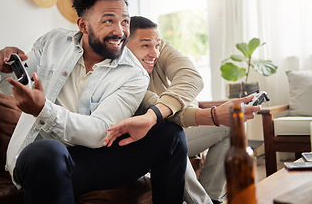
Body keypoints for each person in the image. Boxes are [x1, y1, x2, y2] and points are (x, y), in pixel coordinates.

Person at [0, 0, 188, 204]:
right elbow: (10, 86)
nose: (120, 31)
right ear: (83, 26)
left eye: (125, 21)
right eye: (108, 21)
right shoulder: (53, 42)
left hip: (91, 160)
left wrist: (43, 110)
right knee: (49, 151)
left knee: (171, 134)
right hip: (42, 159)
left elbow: (100, 132)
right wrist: (3, 67)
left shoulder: (135, 74)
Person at [103, 16, 261, 204]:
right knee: (172, 136)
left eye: (157, 45)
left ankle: (211, 198)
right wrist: (213, 115)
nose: (154, 53)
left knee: (230, 126)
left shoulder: (156, 46)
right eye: (145, 46)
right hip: (150, 139)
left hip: (177, 125)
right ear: (124, 47)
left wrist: (216, 116)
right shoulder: (121, 75)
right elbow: (158, 109)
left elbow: (192, 76)